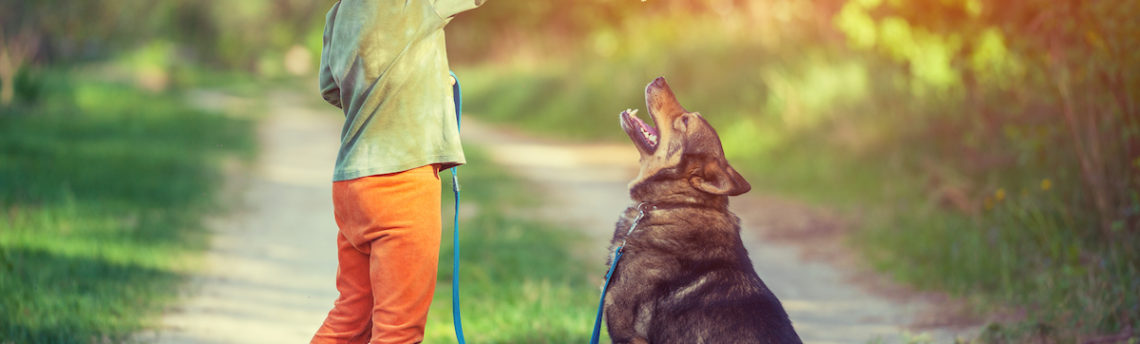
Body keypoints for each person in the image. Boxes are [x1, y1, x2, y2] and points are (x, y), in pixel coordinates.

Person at [311, 1, 486, 343]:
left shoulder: (340, 11)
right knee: (398, 331)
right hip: (403, 181)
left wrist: (406, 85)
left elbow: (331, 88)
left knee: (351, 317)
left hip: (352, 181)